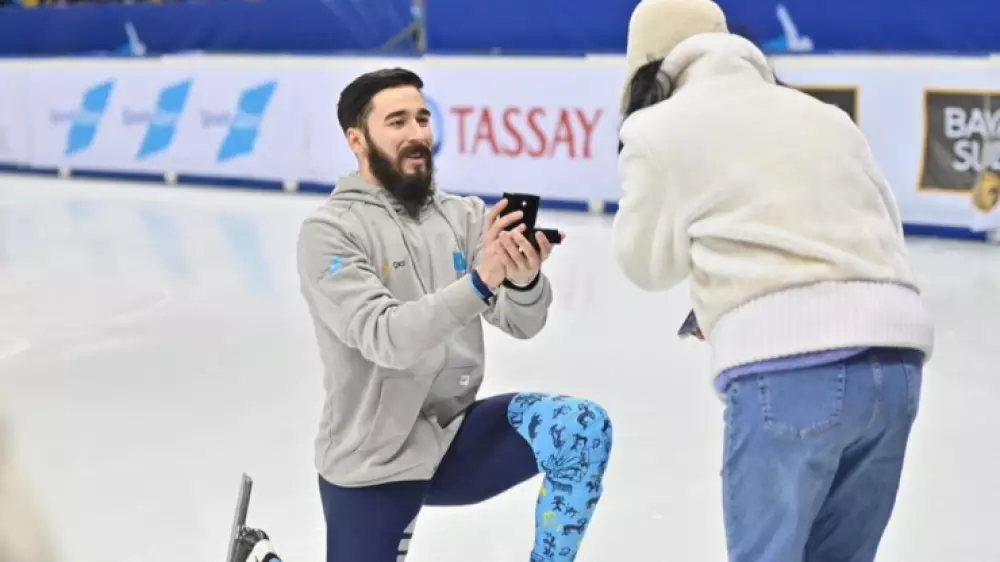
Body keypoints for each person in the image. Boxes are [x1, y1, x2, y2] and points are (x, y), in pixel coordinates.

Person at [611, 1, 934, 561]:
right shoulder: (824, 116)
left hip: (791, 368)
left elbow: (645, 264)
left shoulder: (656, 130)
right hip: (897, 363)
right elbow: (883, 223)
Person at [296, 67, 613, 562]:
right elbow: (387, 338)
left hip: (453, 437)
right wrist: (480, 283)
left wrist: (523, 280)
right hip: (373, 460)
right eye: (397, 122)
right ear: (356, 140)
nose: (417, 133)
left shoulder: (463, 216)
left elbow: (524, 323)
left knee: (580, 427)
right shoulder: (330, 233)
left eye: (422, 119)